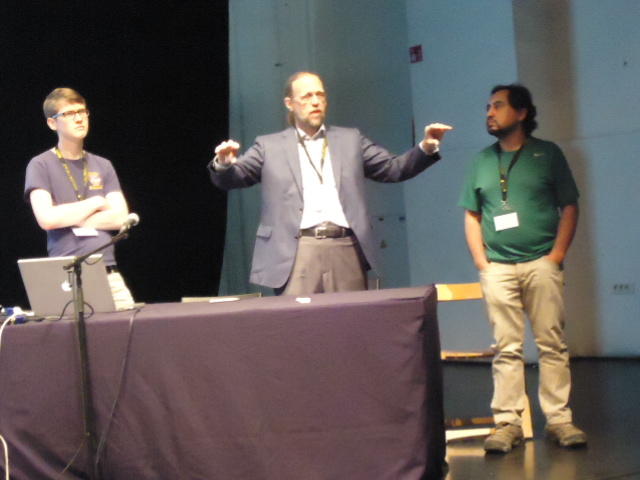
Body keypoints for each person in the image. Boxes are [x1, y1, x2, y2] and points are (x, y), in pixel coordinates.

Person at [208, 71, 452, 295]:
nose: (315, 101)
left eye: (320, 95)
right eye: (307, 96)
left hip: (345, 247)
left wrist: (426, 148)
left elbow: (393, 169)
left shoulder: (350, 140)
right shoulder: (268, 146)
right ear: (289, 103)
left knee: (349, 322)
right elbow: (235, 178)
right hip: (296, 251)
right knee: (298, 324)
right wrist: (224, 164)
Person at [459, 84, 587, 453]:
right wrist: (482, 262)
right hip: (498, 267)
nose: (489, 113)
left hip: (541, 262)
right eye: (488, 107)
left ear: (522, 113)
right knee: (506, 348)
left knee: (552, 344)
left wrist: (556, 255)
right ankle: (508, 423)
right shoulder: (482, 160)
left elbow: (569, 205)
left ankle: (559, 420)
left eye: (498, 106)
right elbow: (472, 215)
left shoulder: (547, 154)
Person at [24, 87, 134, 310]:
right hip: (66, 275)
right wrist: (95, 203)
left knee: (130, 328)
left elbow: (121, 218)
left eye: (82, 112)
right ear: (52, 123)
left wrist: (70, 217)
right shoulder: (40, 164)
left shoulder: (103, 165)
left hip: (108, 272)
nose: (79, 118)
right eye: (69, 113)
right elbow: (47, 219)